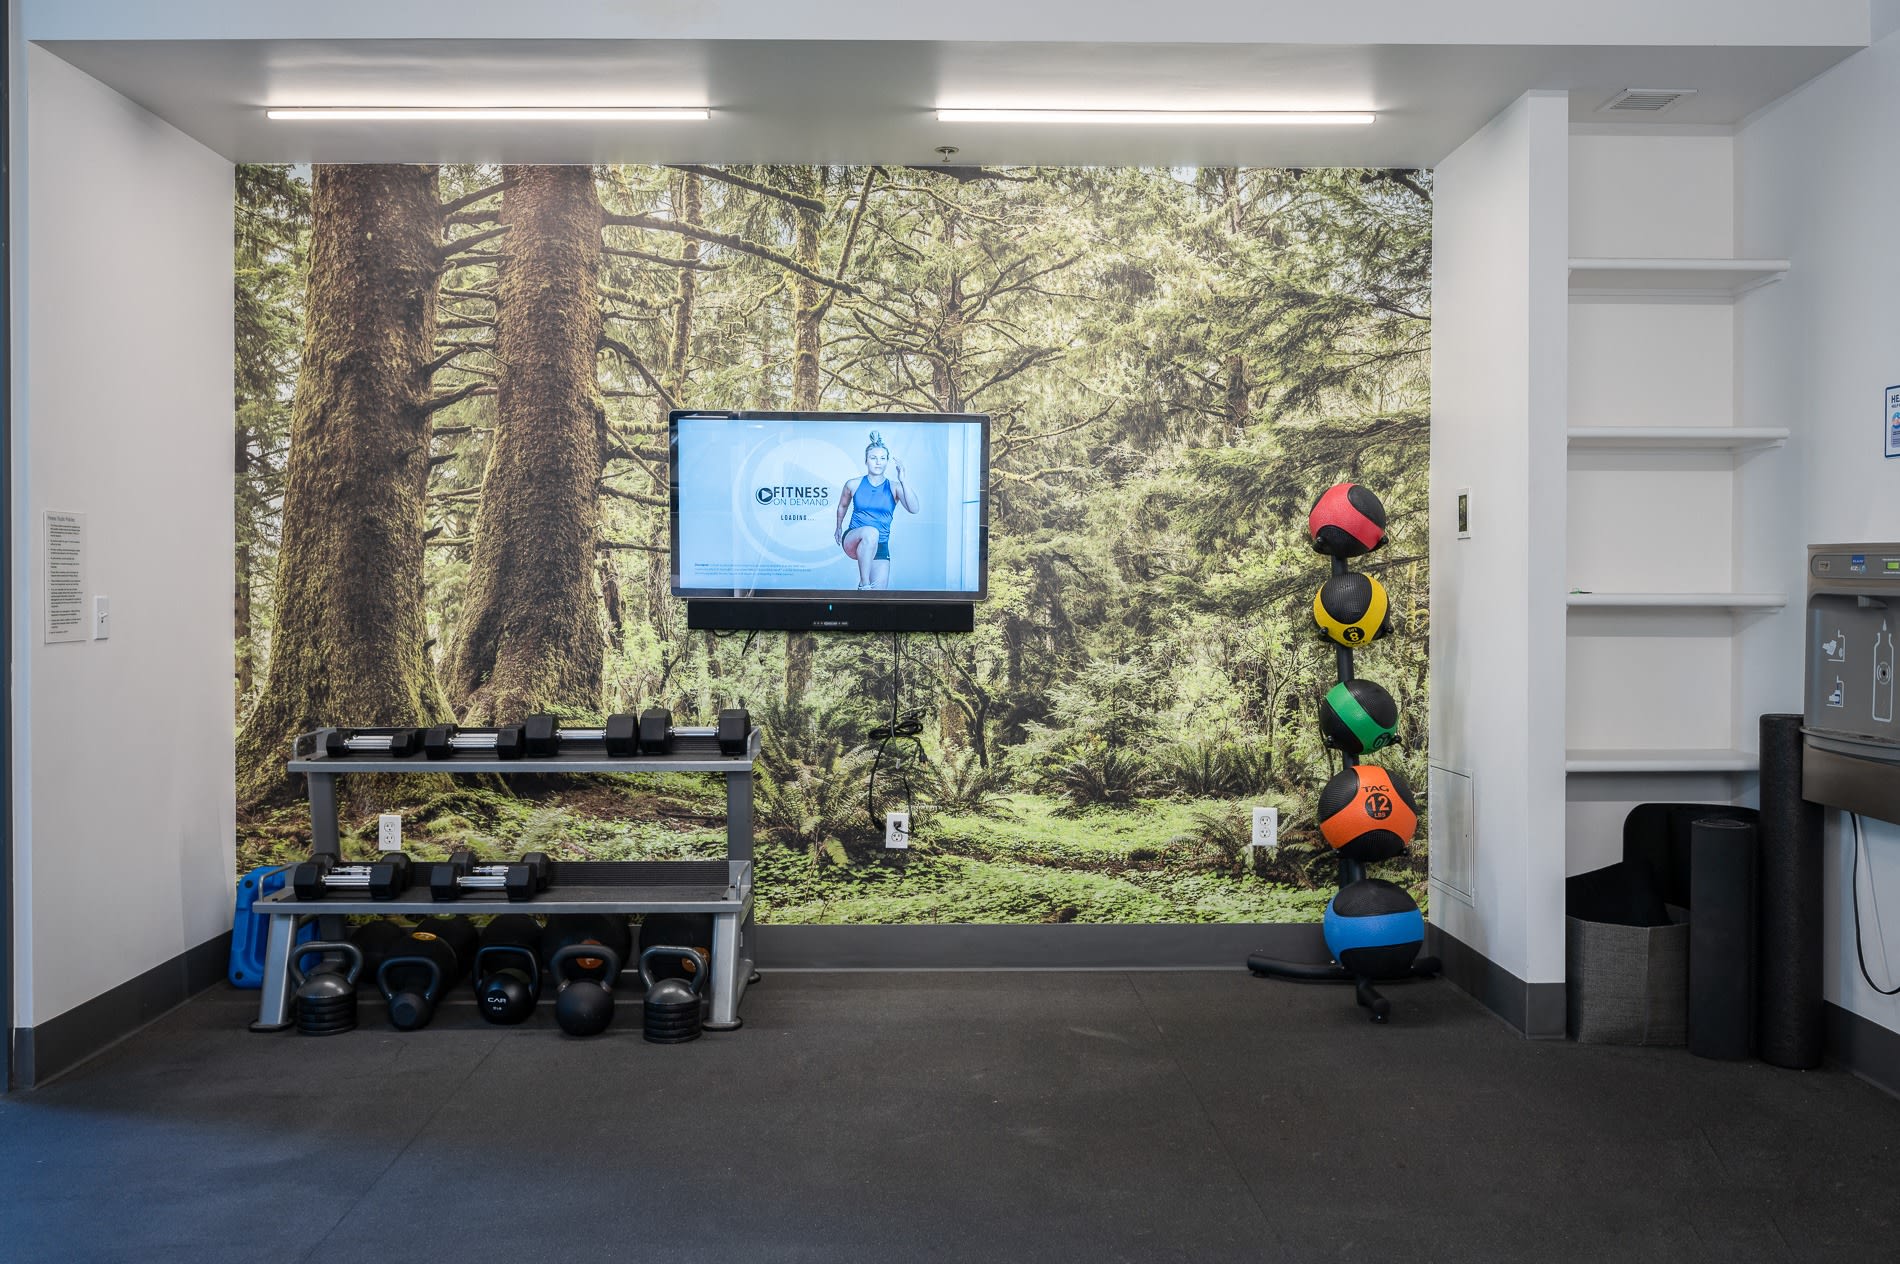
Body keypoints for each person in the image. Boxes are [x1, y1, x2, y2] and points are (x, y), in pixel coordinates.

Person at [834, 430, 919, 590]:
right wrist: (838, 527)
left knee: (878, 595)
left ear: (887, 461)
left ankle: (864, 593)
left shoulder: (894, 487)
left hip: (880, 544)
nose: (878, 462)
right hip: (854, 539)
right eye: (873, 458)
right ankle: (864, 583)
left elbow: (914, 509)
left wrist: (903, 481)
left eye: (882, 458)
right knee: (871, 532)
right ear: (866, 461)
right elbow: (842, 506)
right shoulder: (853, 484)